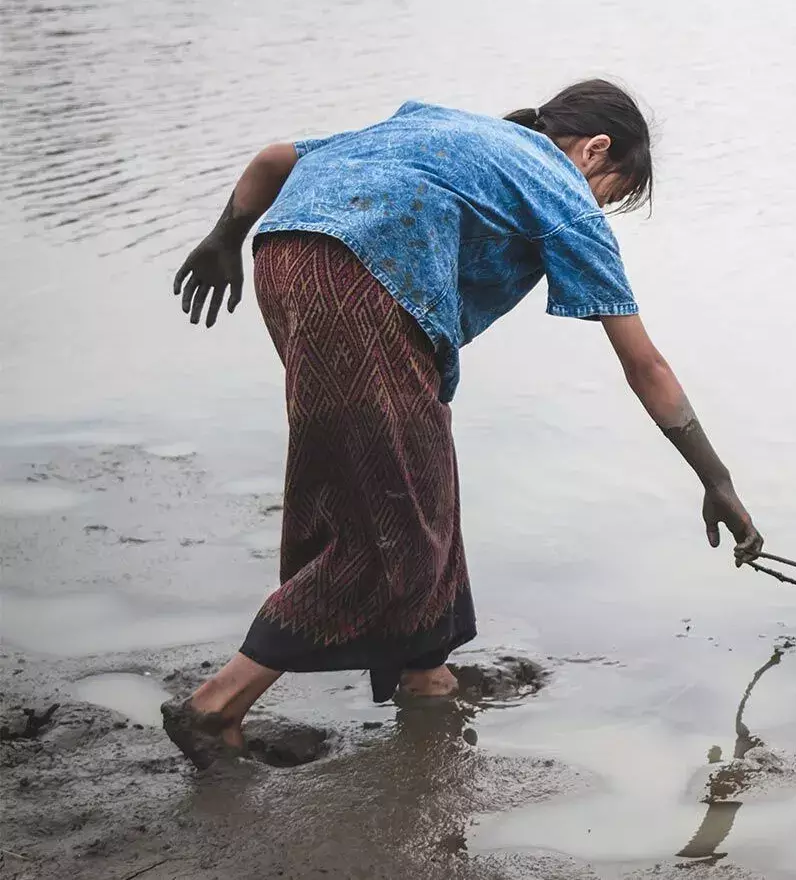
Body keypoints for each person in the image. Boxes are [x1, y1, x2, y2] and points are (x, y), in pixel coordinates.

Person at [162, 79, 763, 768]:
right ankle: (217, 705)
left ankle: (426, 676)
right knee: (391, 529)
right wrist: (715, 479)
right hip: (366, 285)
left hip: (286, 262)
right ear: (597, 150)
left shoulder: (443, 129)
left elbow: (274, 160)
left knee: (413, 482)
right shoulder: (561, 188)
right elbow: (644, 365)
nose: (601, 207)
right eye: (612, 192)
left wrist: (222, 240)